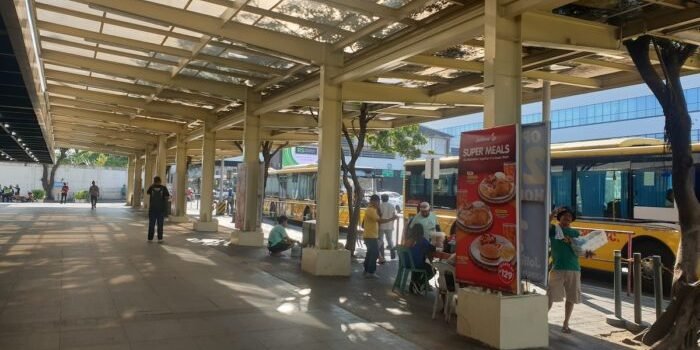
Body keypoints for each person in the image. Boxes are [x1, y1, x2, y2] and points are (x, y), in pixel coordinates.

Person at [547, 207, 592, 334]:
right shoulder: (554, 229)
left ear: (572, 219)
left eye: (569, 216)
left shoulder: (576, 233)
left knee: (571, 298)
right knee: (549, 296)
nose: (567, 218)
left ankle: (566, 323)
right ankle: (541, 319)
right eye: (564, 215)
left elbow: (582, 250)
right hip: (557, 268)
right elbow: (545, 224)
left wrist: (587, 252)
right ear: (559, 217)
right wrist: (553, 213)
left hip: (574, 268)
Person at [362, 194, 396, 278]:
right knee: (374, 253)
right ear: (374, 201)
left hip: (371, 235)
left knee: (370, 253)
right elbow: (379, 220)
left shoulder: (373, 210)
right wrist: (391, 219)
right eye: (377, 202)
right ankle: (371, 272)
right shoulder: (371, 210)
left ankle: (366, 270)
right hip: (370, 236)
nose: (378, 203)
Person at [402, 224, 436, 294]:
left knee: (418, 266)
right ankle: (419, 283)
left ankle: (413, 286)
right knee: (432, 270)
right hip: (416, 264)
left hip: (406, 263)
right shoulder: (422, 241)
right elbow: (429, 251)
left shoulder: (409, 239)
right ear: (422, 231)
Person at [146, 176, 170, 243]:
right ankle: (160, 239)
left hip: (152, 209)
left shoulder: (151, 187)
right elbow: (167, 196)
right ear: (160, 181)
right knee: (160, 225)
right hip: (161, 210)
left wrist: (152, 185)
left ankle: (150, 238)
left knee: (151, 224)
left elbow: (147, 192)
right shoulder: (164, 188)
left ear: (154, 181)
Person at [378, 194, 397, 263]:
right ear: (388, 199)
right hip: (389, 226)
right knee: (389, 239)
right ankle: (392, 249)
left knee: (380, 239)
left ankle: (377, 249)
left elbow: (379, 215)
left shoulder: (380, 206)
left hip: (382, 225)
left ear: (381, 198)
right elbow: (394, 215)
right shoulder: (392, 206)